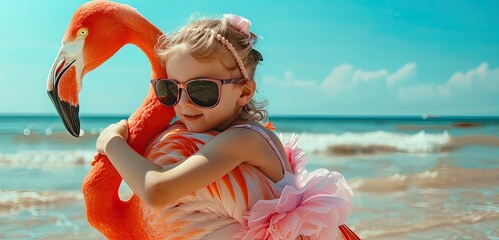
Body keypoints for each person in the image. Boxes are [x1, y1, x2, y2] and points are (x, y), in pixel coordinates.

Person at [96, 14, 355, 240]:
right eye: (171, 89)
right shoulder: (220, 135)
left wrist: (112, 143)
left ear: (244, 92)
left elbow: (158, 189)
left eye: (202, 90)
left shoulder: (243, 140)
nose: (184, 103)